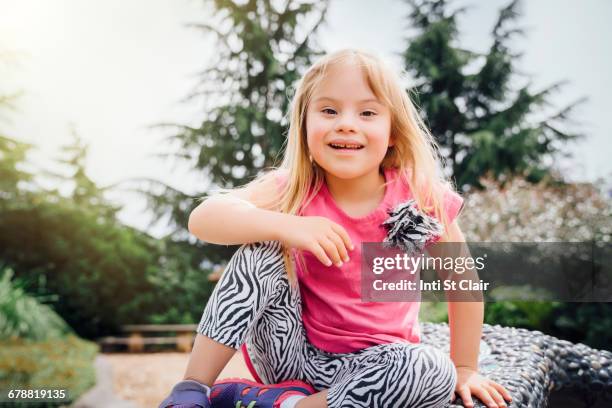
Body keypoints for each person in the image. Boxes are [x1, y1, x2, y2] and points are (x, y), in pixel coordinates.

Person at [160, 49, 512, 408]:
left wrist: (465, 367)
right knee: (262, 248)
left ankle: (282, 405)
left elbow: (462, 280)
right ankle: (192, 390)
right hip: (291, 355)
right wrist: (287, 226)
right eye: (329, 110)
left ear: (392, 132)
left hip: (380, 366)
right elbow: (203, 219)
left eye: (368, 113)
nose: (346, 123)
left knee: (435, 370)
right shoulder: (293, 188)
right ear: (305, 125)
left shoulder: (420, 195)